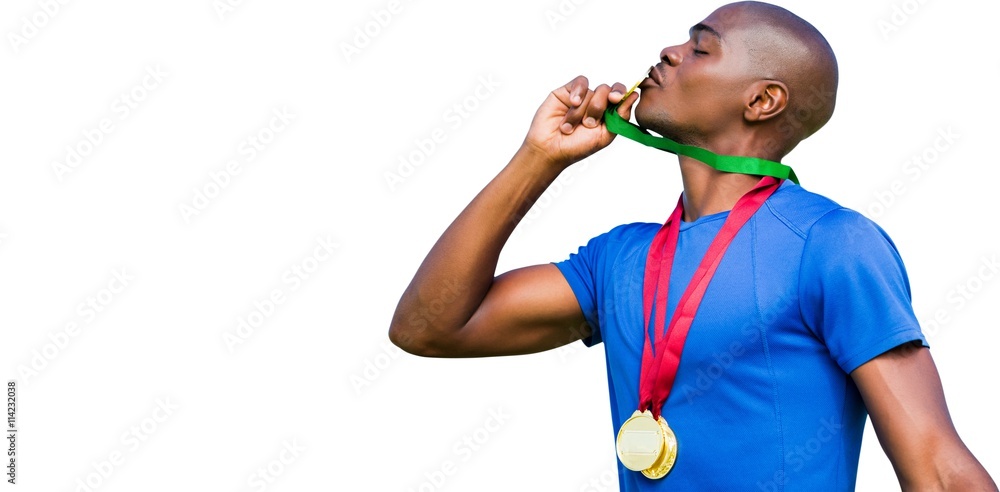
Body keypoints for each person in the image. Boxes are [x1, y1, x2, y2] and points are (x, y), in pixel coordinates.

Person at [388, 1, 997, 490]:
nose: (669, 51)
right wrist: (537, 160)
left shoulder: (832, 245)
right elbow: (428, 328)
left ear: (762, 101)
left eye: (700, 46)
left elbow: (938, 468)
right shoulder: (617, 260)